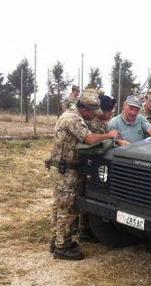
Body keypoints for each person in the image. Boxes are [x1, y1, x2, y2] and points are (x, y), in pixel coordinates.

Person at [48, 89, 119, 260]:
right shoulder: (71, 119)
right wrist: (109, 135)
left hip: (66, 168)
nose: (94, 116)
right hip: (66, 170)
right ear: (84, 109)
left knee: (61, 206)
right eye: (92, 113)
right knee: (68, 207)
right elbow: (89, 139)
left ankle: (57, 240)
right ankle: (62, 248)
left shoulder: (74, 115)